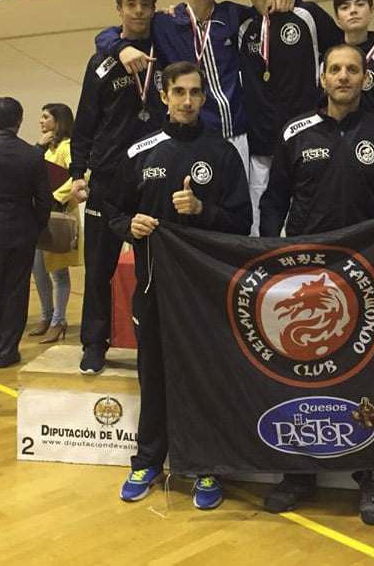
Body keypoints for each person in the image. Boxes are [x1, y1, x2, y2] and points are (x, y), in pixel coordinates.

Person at [259, 43, 374, 525]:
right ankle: (298, 473)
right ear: (323, 77)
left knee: (369, 373)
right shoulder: (295, 131)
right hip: (307, 273)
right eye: (336, 69)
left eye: (352, 69)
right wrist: (267, 253)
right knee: (300, 372)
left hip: (369, 274)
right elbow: (275, 199)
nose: (344, 77)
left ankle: (371, 477)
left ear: (364, 79)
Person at [106, 61, 252, 511]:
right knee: (153, 373)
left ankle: (206, 463)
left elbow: (242, 223)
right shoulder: (141, 151)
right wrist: (130, 225)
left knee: (204, 375)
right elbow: (114, 212)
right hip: (153, 286)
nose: (187, 100)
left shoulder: (222, 153)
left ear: (204, 98)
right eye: (179, 92)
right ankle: (148, 460)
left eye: (195, 92)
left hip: (205, 291)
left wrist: (201, 210)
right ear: (164, 96)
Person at [235, 0, 374, 235]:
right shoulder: (240, 23)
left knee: (317, 218)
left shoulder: (307, 14)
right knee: (263, 226)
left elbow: (349, 43)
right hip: (261, 147)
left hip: (310, 140)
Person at [95, 0, 295, 181]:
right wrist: (121, 48)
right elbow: (107, 35)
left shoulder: (232, 15)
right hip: (196, 135)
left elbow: (264, 8)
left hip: (238, 134)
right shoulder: (165, 22)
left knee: (240, 203)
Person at [70, 0, 164, 375]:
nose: (138, 11)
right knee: (99, 269)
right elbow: (85, 120)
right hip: (108, 180)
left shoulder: (167, 52)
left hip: (153, 178)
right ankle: (94, 343)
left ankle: (157, 344)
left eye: (145, 4)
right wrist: (78, 172)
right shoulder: (102, 61)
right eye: (131, 4)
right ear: (119, 8)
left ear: (154, 8)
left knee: (153, 270)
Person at [0, 97, 53, 368]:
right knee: (15, 294)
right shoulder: (32, 155)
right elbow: (44, 200)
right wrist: (37, 226)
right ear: (19, 121)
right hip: (21, 235)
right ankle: (6, 352)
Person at [28, 103, 82, 344]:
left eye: (45, 117)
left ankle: (58, 320)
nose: (41, 121)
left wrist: (56, 197)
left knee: (58, 272)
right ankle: (46, 315)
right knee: (38, 270)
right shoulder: (46, 148)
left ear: (58, 121)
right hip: (40, 216)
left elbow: (79, 175)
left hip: (60, 216)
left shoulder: (68, 146)